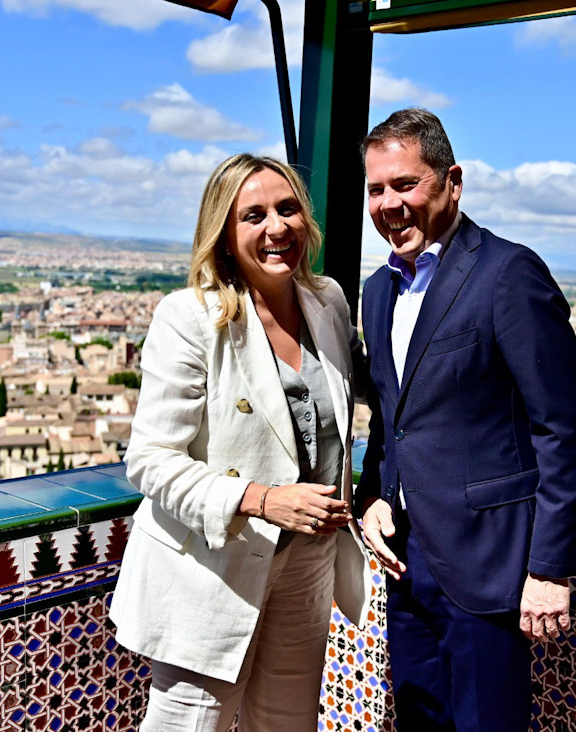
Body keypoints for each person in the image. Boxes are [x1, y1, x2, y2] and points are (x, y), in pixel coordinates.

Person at [110, 153, 374, 732]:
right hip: (214, 566)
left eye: (287, 209)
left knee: (287, 722)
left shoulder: (327, 302)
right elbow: (150, 460)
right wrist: (262, 499)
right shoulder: (190, 317)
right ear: (224, 236)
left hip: (308, 561)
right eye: (254, 216)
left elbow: (371, 392)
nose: (277, 227)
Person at [356, 108, 576, 731]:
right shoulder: (377, 291)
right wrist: (375, 493)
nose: (388, 204)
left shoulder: (507, 273)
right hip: (407, 563)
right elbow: (392, 416)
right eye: (376, 190)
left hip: (490, 567)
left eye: (405, 184)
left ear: (452, 182)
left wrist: (549, 568)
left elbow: (563, 427)